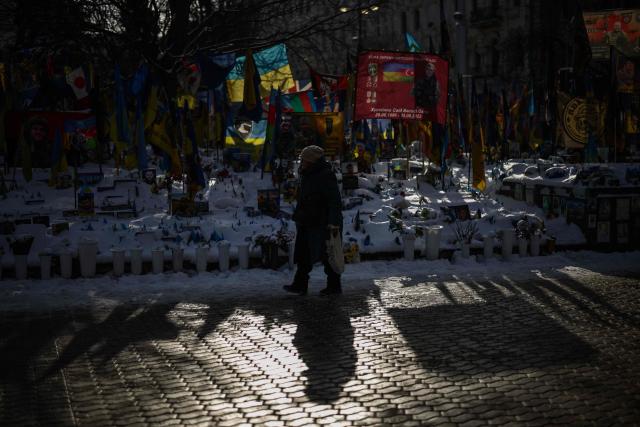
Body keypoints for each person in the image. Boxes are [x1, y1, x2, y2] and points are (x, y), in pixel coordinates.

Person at [284, 145, 343, 296]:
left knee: (328, 254)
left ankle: (334, 286)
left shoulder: (324, 174)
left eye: (304, 159)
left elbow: (334, 200)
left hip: (322, 222)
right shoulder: (307, 173)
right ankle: (300, 284)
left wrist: (333, 222)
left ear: (311, 160)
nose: (301, 162)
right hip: (307, 219)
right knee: (304, 254)